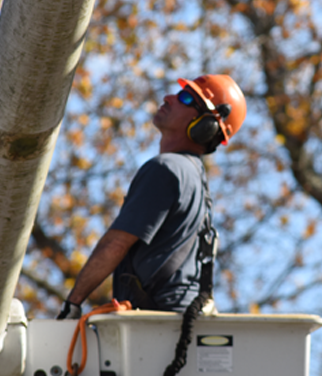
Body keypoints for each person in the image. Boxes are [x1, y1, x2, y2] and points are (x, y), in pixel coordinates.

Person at [58, 74, 246, 319]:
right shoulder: (193, 177)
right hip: (175, 320)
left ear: (205, 126)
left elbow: (116, 244)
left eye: (186, 98)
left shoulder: (166, 169)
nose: (169, 98)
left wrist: (73, 304)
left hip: (157, 323)